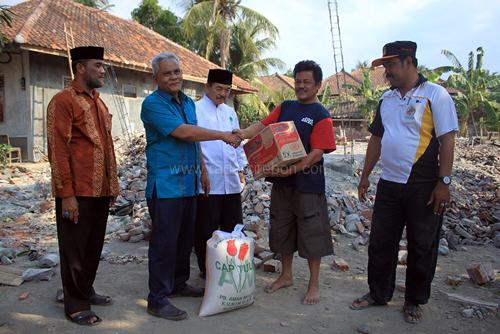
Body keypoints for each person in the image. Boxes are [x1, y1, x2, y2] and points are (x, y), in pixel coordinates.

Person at [350, 41, 459, 324]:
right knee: (381, 242)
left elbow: (447, 140)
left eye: (391, 64)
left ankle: (414, 300)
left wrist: (443, 182)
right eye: (385, 66)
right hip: (388, 182)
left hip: (423, 184)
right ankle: (378, 293)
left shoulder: (436, 95)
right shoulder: (386, 99)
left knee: (422, 244)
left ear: (409, 62)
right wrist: (365, 176)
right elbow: (376, 139)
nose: (386, 71)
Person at [141, 52, 241, 321]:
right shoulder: (152, 104)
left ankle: (178, 282)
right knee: (164, 243)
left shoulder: (185, 101)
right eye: (167, 73)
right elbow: (184, 133)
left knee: (184, 240)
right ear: (156, 78)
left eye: (176, 72)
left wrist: (202, 172)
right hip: (166, 185)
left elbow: (193, 143)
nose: (173, 77)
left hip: (188, 183)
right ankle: (158, 298)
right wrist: (221, 136)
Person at [234, 60, 336, 305]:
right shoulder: (286, 107)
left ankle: (313, 284)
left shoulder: (321, 115)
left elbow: (316, 153)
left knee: (312, 232)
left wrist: (292, 170)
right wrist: (242, 134)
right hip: (282, 182)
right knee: (282, 228)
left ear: (318, 85)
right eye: (298, 81)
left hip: (308, 185)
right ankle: (286, 275)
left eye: (306, 82)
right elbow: (262, 126)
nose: (301, 86)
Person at [47, 46, 118, 326]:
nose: (103, 71)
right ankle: (75, 304)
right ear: (80, 68)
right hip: (76, 192)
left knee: (92, 247)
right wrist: (66, 195)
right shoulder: (63, 101)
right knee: (74, 251)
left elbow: (107, 146)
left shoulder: (99, 101)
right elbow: (58, 149)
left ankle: (85, 290)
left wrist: (112, 185)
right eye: (98, 65)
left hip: (100, 189)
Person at [194, 69, 247, 279]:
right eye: (219, 88)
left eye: (227, 90)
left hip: (231, 180)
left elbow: (238, 142)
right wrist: (202, 171)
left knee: (233, 227)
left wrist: (241, 169)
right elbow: (194, 143)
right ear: (207, 87)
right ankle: (207, 272)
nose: (223, 94)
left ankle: (231, 268)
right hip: (209, 180)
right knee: (206, 229)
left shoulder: (230, 112)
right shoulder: (195, 110)